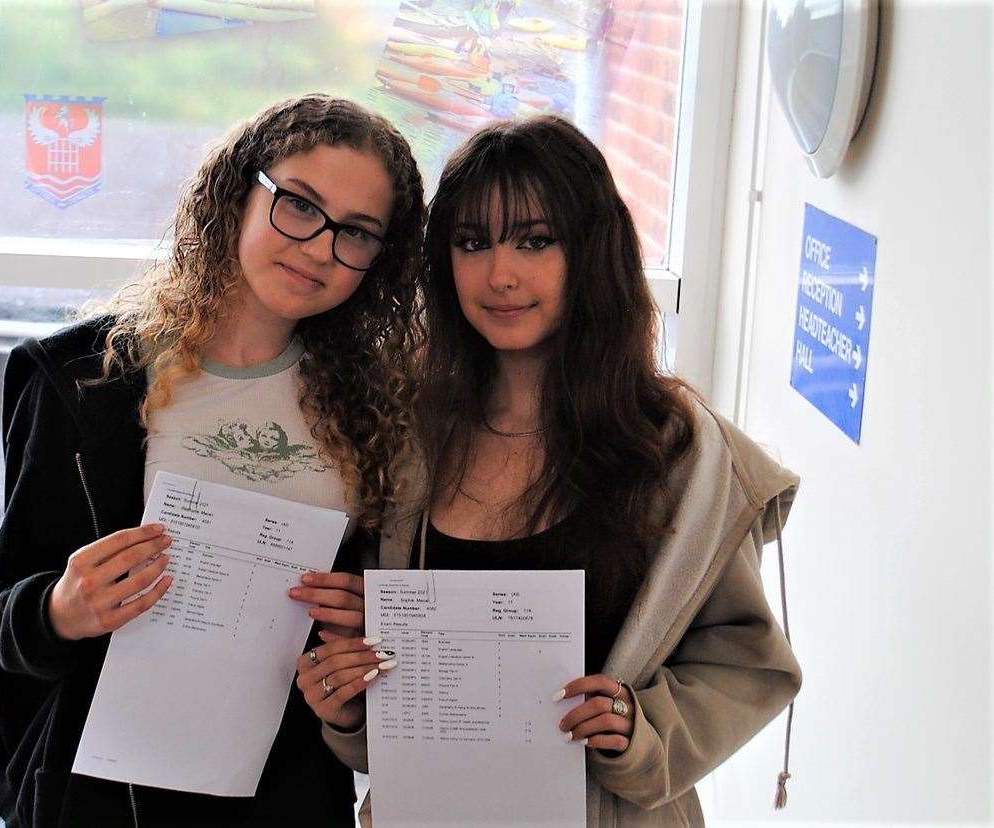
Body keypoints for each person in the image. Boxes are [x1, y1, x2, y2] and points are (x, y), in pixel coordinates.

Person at [295, 114, 802, 826]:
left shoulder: (679, 454)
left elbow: (746, 662)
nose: (500, 275)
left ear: (591, 253)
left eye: (535, 240)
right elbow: (391, 695)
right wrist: (346, 706)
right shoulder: (400, 434)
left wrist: (639, 727)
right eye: (472, 243)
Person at [0, 93, 426, 827]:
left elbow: (383, 629)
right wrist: (64, 608)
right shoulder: (78, 380)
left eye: (356, 233)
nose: (319, 247)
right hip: (102, 795)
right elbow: (7, 619)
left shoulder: (381, 408)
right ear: (238, 191)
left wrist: (363, 614)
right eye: (299, 205)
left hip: (282, 791)